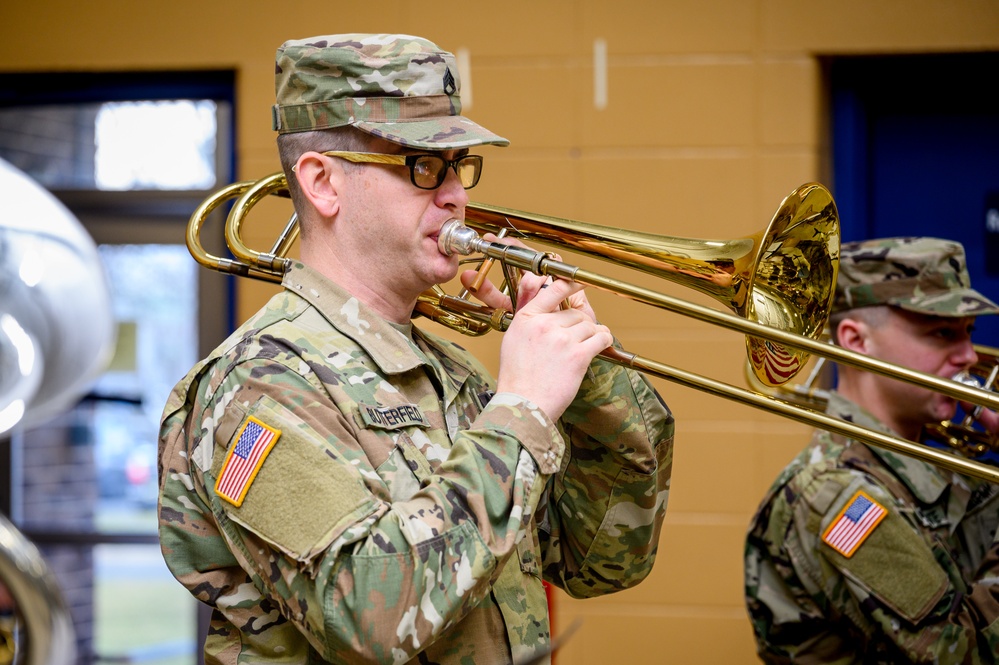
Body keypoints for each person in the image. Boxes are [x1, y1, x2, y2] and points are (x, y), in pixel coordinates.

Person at [157, 33, 675, 665]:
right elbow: (371, 614)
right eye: (422, 166)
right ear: (323, 183)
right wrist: (522, 411)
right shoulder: (256, 384)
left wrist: (583, 373)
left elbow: (601, 560)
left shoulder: (454, 373)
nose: (455, 193)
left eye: (459, 166)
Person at [744, 236, 999, 663]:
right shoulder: (835, 493)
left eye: (968, 333)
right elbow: (960, 655)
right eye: (942, 332)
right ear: (856, 340)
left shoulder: (932, 452)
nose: (969, 356)